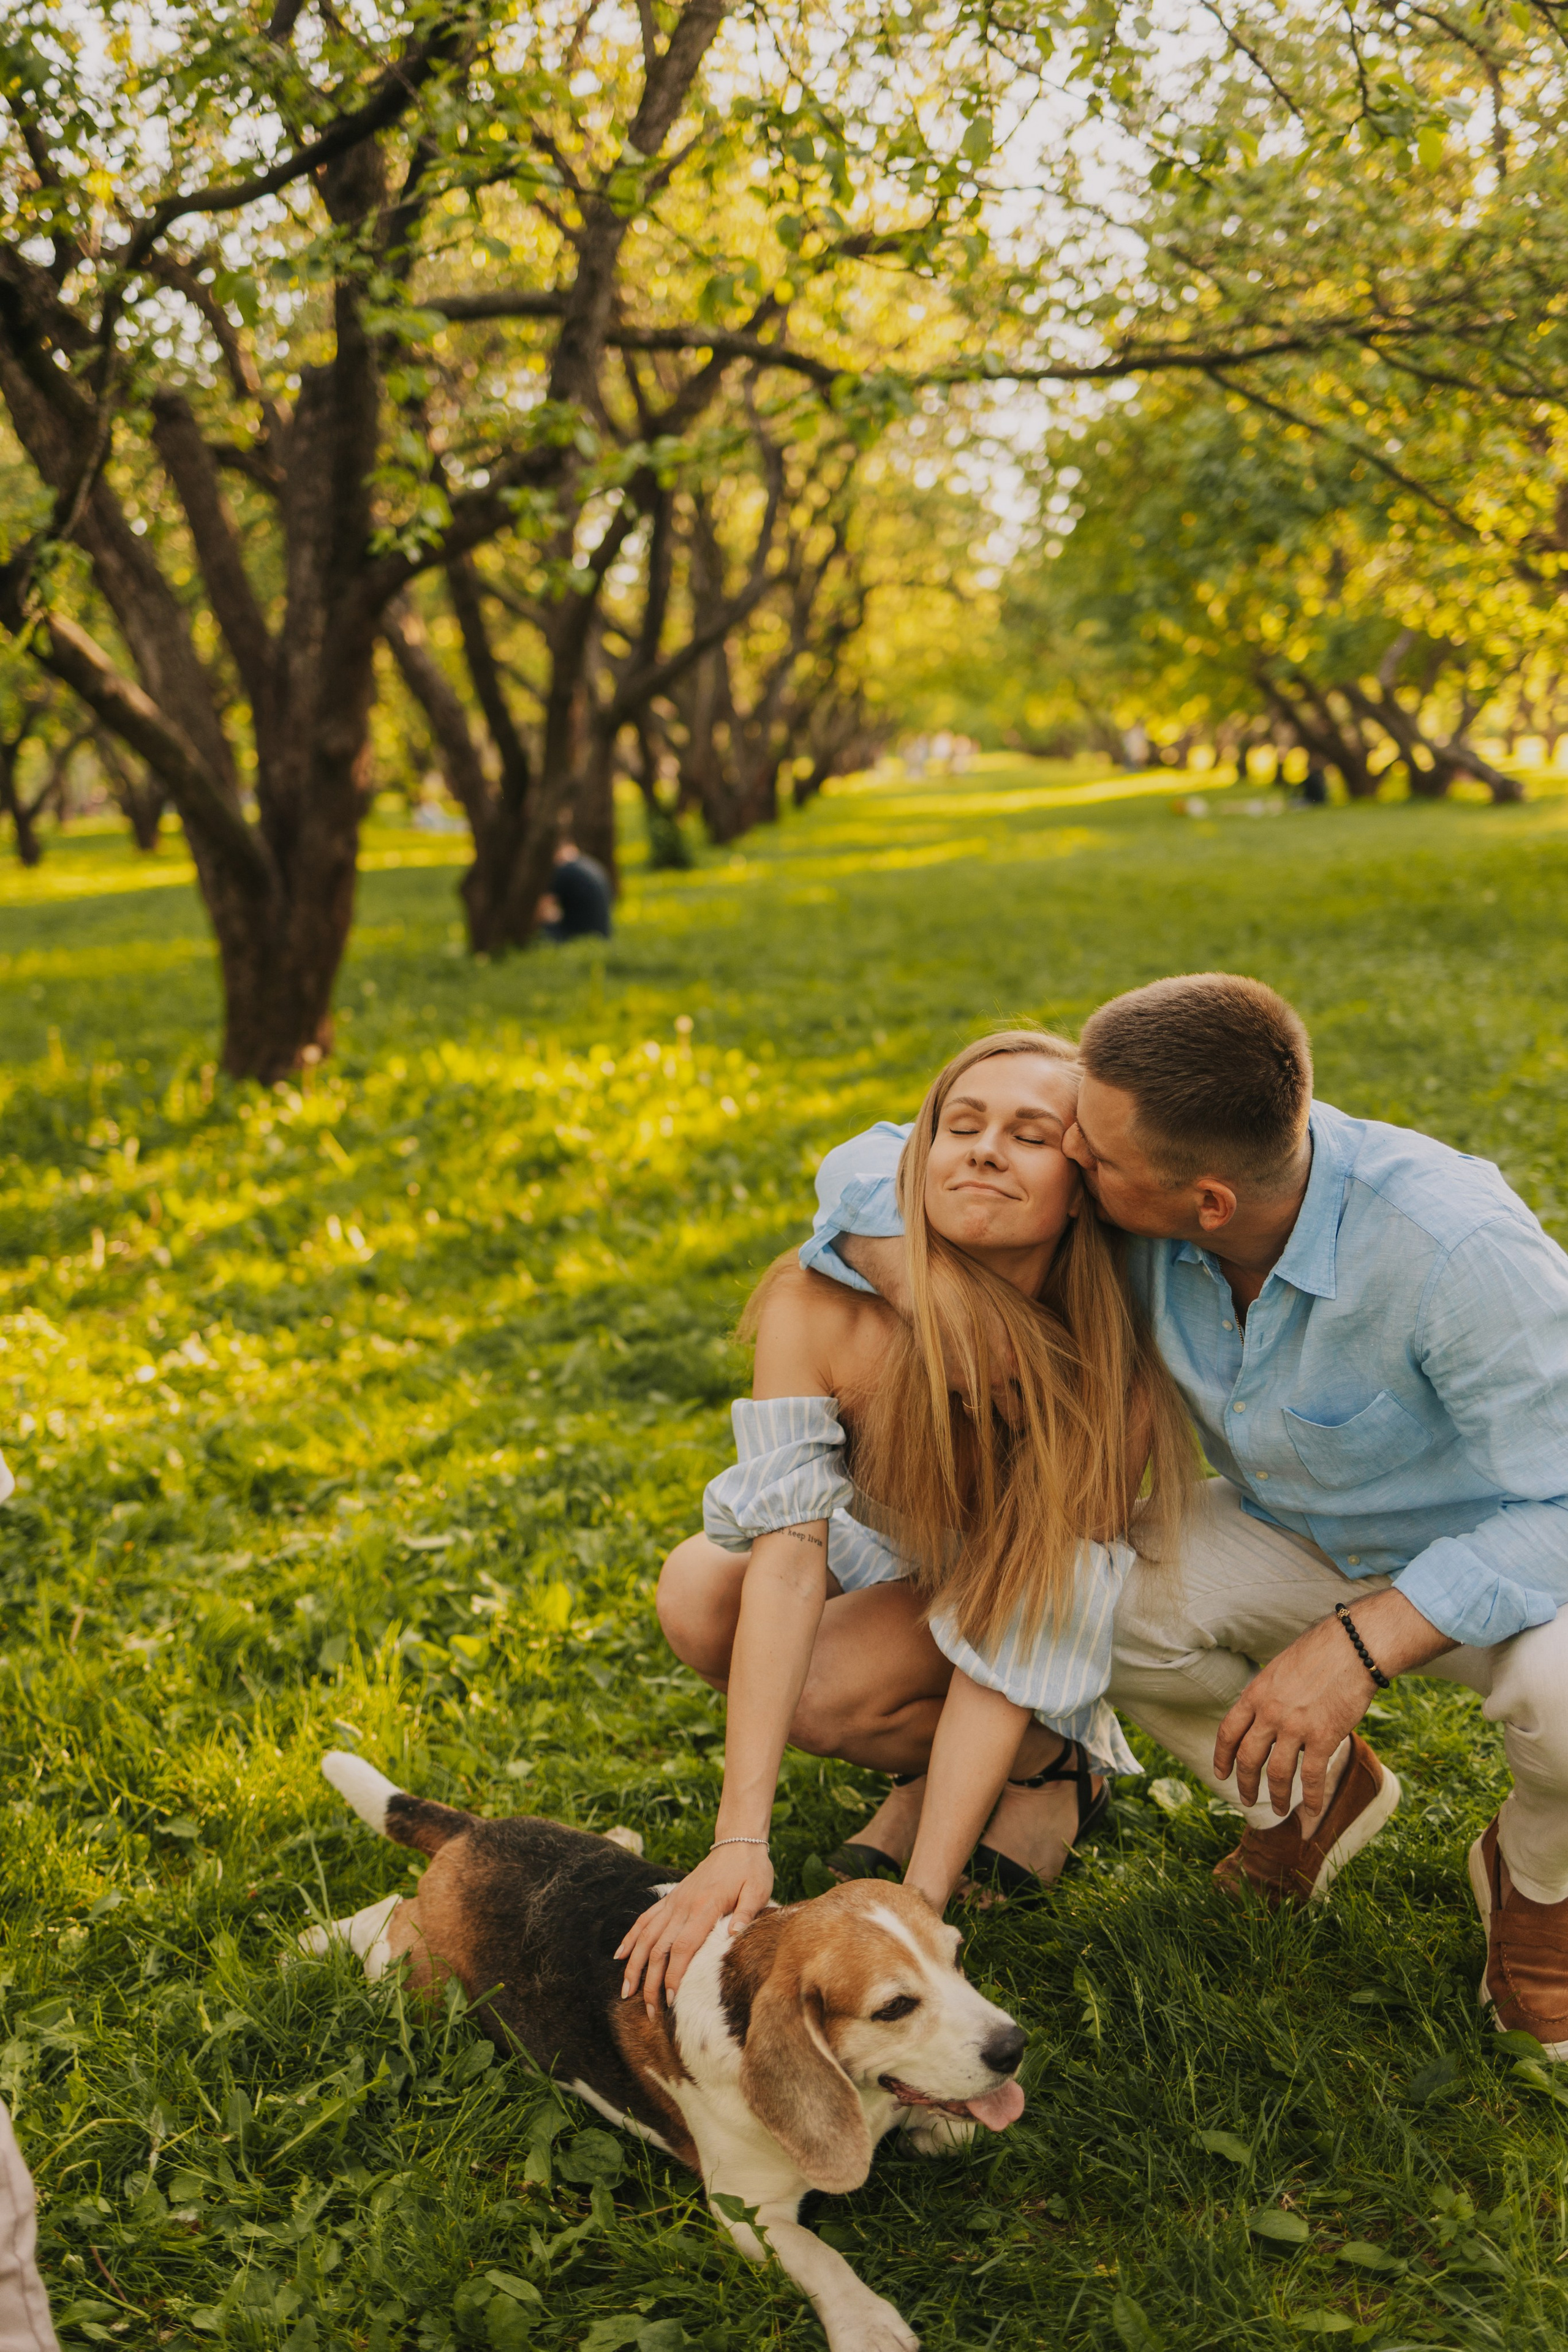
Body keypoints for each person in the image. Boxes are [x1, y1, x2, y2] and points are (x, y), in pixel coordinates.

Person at [805, 973, 1568, 2055]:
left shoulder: (1457, 1251)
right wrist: (918, 1282)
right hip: (1299, 1531)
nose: (1069, 1159)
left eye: (1093, 1159)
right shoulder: (1159, 1166)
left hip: (1526, 1565)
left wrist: (1360, 1644)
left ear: (1206, 1203)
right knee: (1088, 1595)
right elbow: (870, 1157)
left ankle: (1539, 1886)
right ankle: (1308, 1801)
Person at [615, 1031, 1193, 2011]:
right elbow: (789, 1556)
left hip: (1016, 1602)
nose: (981, 1150)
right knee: (698, 1589)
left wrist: (915, 1915)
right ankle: (987, 1780)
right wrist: (737, 1844)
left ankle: (1057, 1766)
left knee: (827, 1691)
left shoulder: (1112, 1362)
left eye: (1030, 1135)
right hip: (898, 1549)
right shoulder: (822, 1305)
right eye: (958, 1127)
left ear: (1085, 1181)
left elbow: (1017, 1633)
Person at [537, 837, 612, 941]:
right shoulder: (591, 864)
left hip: (578, 934)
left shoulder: (564, 871)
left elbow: (542, 908)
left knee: (540, 932)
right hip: (602, 933)